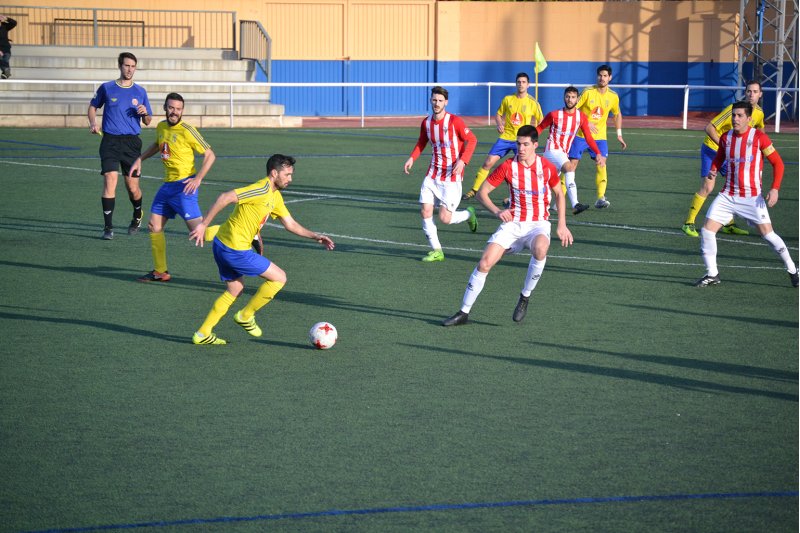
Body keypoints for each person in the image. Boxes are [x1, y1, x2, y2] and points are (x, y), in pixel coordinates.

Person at [187, 154, 335, 345]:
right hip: (235, 250)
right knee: (280, 278)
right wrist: (203, 224)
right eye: (287, 174)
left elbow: (290, 224)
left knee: (235, 289)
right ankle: (246, 315)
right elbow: (225, 197)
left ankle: (202, 333)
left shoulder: (275, 196)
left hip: (222, 244)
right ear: (274, 173)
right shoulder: (260, 188)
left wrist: (315, 236)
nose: (290, 179)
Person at [442, 125, 573, 326]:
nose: (521, 149)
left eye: (525, 145)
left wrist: (561, 224)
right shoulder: (507, 166)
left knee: (540, 249)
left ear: (535, 145)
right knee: (485, 263)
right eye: (518, 144)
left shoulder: (546, 167)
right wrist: (497, 211)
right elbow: (481, 193)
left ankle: (525, 297)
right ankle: (463, 312)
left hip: (537, 225)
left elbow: (559, 193)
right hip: (513, 225)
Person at [693, 101, 798, 288]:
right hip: (728, 195)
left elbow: (778, 163)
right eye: (734, 115)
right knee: (707, 230)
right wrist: (714, 169)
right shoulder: (726, 137)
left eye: (740, 115)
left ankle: (792, 269)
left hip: (752, 197)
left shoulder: (759, 138)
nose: (735, 118)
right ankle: (712, 274)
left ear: (749, 119)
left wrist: (775, 188)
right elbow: (720, 156)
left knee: (768, 235)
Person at [128, 93, 215, 282]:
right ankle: (160, 271)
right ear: (165, 108)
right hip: (167, 187)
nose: (174, 112)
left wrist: (198, 178)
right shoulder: (161, 127)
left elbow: (210, 155)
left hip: (184, 187)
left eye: (178, 109)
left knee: (201, 233)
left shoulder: (188, 130)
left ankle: (245, 233)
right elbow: (159, 145)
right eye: (171, 108)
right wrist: (140, 159)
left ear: (182, 110)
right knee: (154, 226)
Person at [403, 86, 478, 263]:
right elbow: (422, 141)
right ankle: (437, 251)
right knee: (425, 211)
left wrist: (463, 161)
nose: (436, 104)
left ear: (446, 102)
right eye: (434, 100)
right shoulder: (426, 123)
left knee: (445, 218)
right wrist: (412, 158)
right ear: (431, 100)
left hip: (451, 178)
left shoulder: (455, 122)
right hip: (433, 175)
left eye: (440, 101)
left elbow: (472, 140)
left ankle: (469, 214)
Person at [681, 80, 765, 237]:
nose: (751, 94)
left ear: (760, 94)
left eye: (754, 92)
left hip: (731, 154)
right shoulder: (733, 110)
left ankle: (729, 224)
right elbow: (709, 128)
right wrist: (726, 147)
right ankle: (688, 223)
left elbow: (759, 132)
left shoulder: (759, 113)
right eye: (748, 91)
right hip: (712, 150)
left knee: (734, 186)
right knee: (708, 187)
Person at [88, 52, 153, 240]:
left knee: (132, 188)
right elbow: (93, 107)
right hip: (110, 140)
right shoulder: (107, 88)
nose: (130, 69)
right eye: (126, 65)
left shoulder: (140, 92)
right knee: (110, 179)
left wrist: (144, 113)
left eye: (133, 66)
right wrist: (93, 123)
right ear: (120, 66)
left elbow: (148, 121)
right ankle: (108, 228)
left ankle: (137, 214)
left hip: (131, 143)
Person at [462, 72, 543, 200]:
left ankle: (516, 197)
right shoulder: (507, 99)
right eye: (519, 82)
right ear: (516, 84)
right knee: (488, 162)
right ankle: (474, 190)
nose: (521, 84)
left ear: (528, 85)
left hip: (521, 141)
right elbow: (499, 114)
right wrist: (499, 124)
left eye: (523, 82)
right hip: (506, 137)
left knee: (522, 168)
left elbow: (541, 122)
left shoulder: (533, 103)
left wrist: (531, 136)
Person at [537, 86, 606, 215]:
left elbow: (589, 137)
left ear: (577, 99)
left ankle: (537, 207)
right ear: (564, 97)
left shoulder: (581, 117)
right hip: (552, 150)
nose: (570, 100)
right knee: (569, 168)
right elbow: (540, 127)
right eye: (568, 97)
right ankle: (575, 204)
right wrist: (531, 140)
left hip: (562, 153)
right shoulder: (554, 114)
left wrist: (597, 153)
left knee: (545, 183)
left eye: (573, 97)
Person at [568, 64, 627, 209]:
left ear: (610, 78)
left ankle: (600, 198)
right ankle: (559, 200)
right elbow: (573, 109)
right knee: (571, 166)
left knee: (602, 163)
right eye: (600, 75)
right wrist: (586, 123)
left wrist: (619, 134)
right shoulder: (588, 92)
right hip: (581, 135)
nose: (602, 78)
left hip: (600, 137)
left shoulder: (613, 96)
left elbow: (617, 114)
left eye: (605, 75)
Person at [0, 14, 16, 79]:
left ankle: (5, 74)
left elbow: (14, 23)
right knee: (3, 61)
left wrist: (6, 18)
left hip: (6, 48)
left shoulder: (4, 26)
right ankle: (6, 73)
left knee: (4, 61)